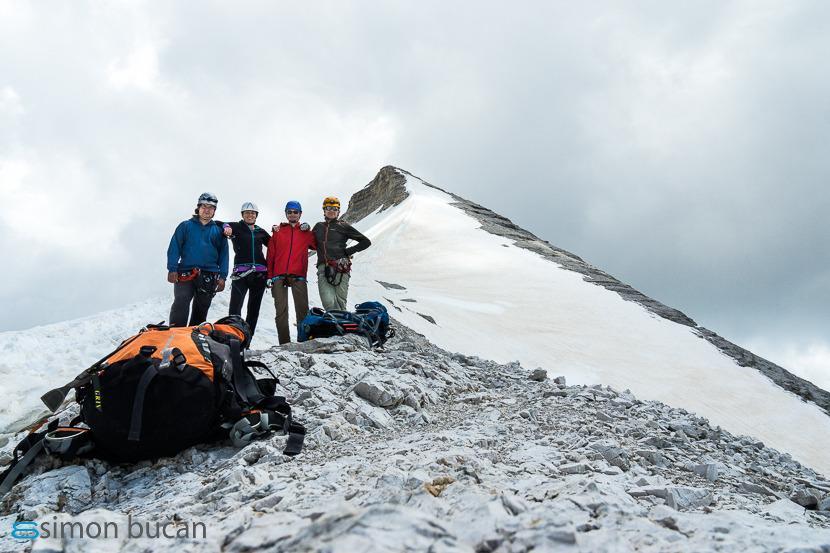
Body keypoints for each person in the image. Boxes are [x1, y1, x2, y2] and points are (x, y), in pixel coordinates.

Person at [166, 193, 229, 327]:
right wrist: (172, 268)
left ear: (214, 210)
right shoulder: (185, 226)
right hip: (185, 272)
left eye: (211, 207)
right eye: (204, 206)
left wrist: (223, 277)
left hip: (209, 275)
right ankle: (175, 333)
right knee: (181, 302)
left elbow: (224, 255)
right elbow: (174, 247)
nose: (207, 210)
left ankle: (193, 336)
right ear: (198, 208)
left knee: (201, 309)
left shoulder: (219, 231)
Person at [266, 201, 317, 344]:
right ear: (286, 214)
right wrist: (269, 276)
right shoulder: (278, 232)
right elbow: (270, 255)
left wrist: (309, 229)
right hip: (278, 275)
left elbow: (316, 245)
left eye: (295, 212)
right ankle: (284, 343)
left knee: (302, 311)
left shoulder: (305, 232)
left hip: (298, 275)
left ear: (300, 214)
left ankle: (303, 341)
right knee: (281, 312)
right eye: (289, 212)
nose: (292, 214)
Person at [312, 196, 371, 311]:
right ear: (324, 210)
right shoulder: (318, 227)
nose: (332, 211)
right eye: (328, 208)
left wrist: (348, 251)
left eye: (335, 209)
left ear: (338, 211)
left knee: (340, 302)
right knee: (328, 302)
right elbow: (308, 242)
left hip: (341, 267)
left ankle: (341, 322)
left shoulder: (343, 226)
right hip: (323, 268)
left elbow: (366, 242)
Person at [221, 202, 270, 337]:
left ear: (256, 215)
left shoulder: (260, 231)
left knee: (253, 310)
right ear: (242, 215)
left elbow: (274, 244)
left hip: (260, 275)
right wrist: (226, 227)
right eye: (247, 213)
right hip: (241, 274)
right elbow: (218, 223)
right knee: (235, 309)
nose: (250, 215)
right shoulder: (236, 227)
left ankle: (247, 340)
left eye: (253, 213)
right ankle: (233, 338)